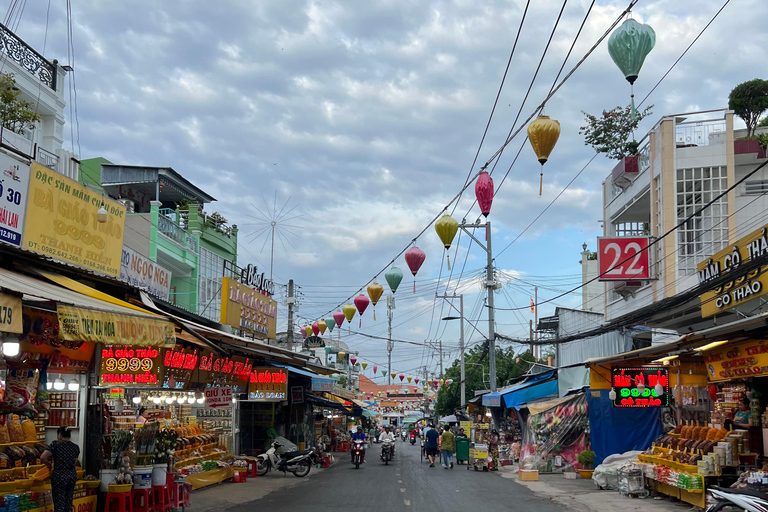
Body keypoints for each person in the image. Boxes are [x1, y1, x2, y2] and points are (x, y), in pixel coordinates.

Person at [41, 426, 80, 512]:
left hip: (59, 477)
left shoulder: (55, 444)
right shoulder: (75, 447)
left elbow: (43, 457)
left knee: (59, 505)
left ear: (59, 435)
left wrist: (49, 464)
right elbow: (75, 462)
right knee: (68, 503)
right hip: (71, 476)